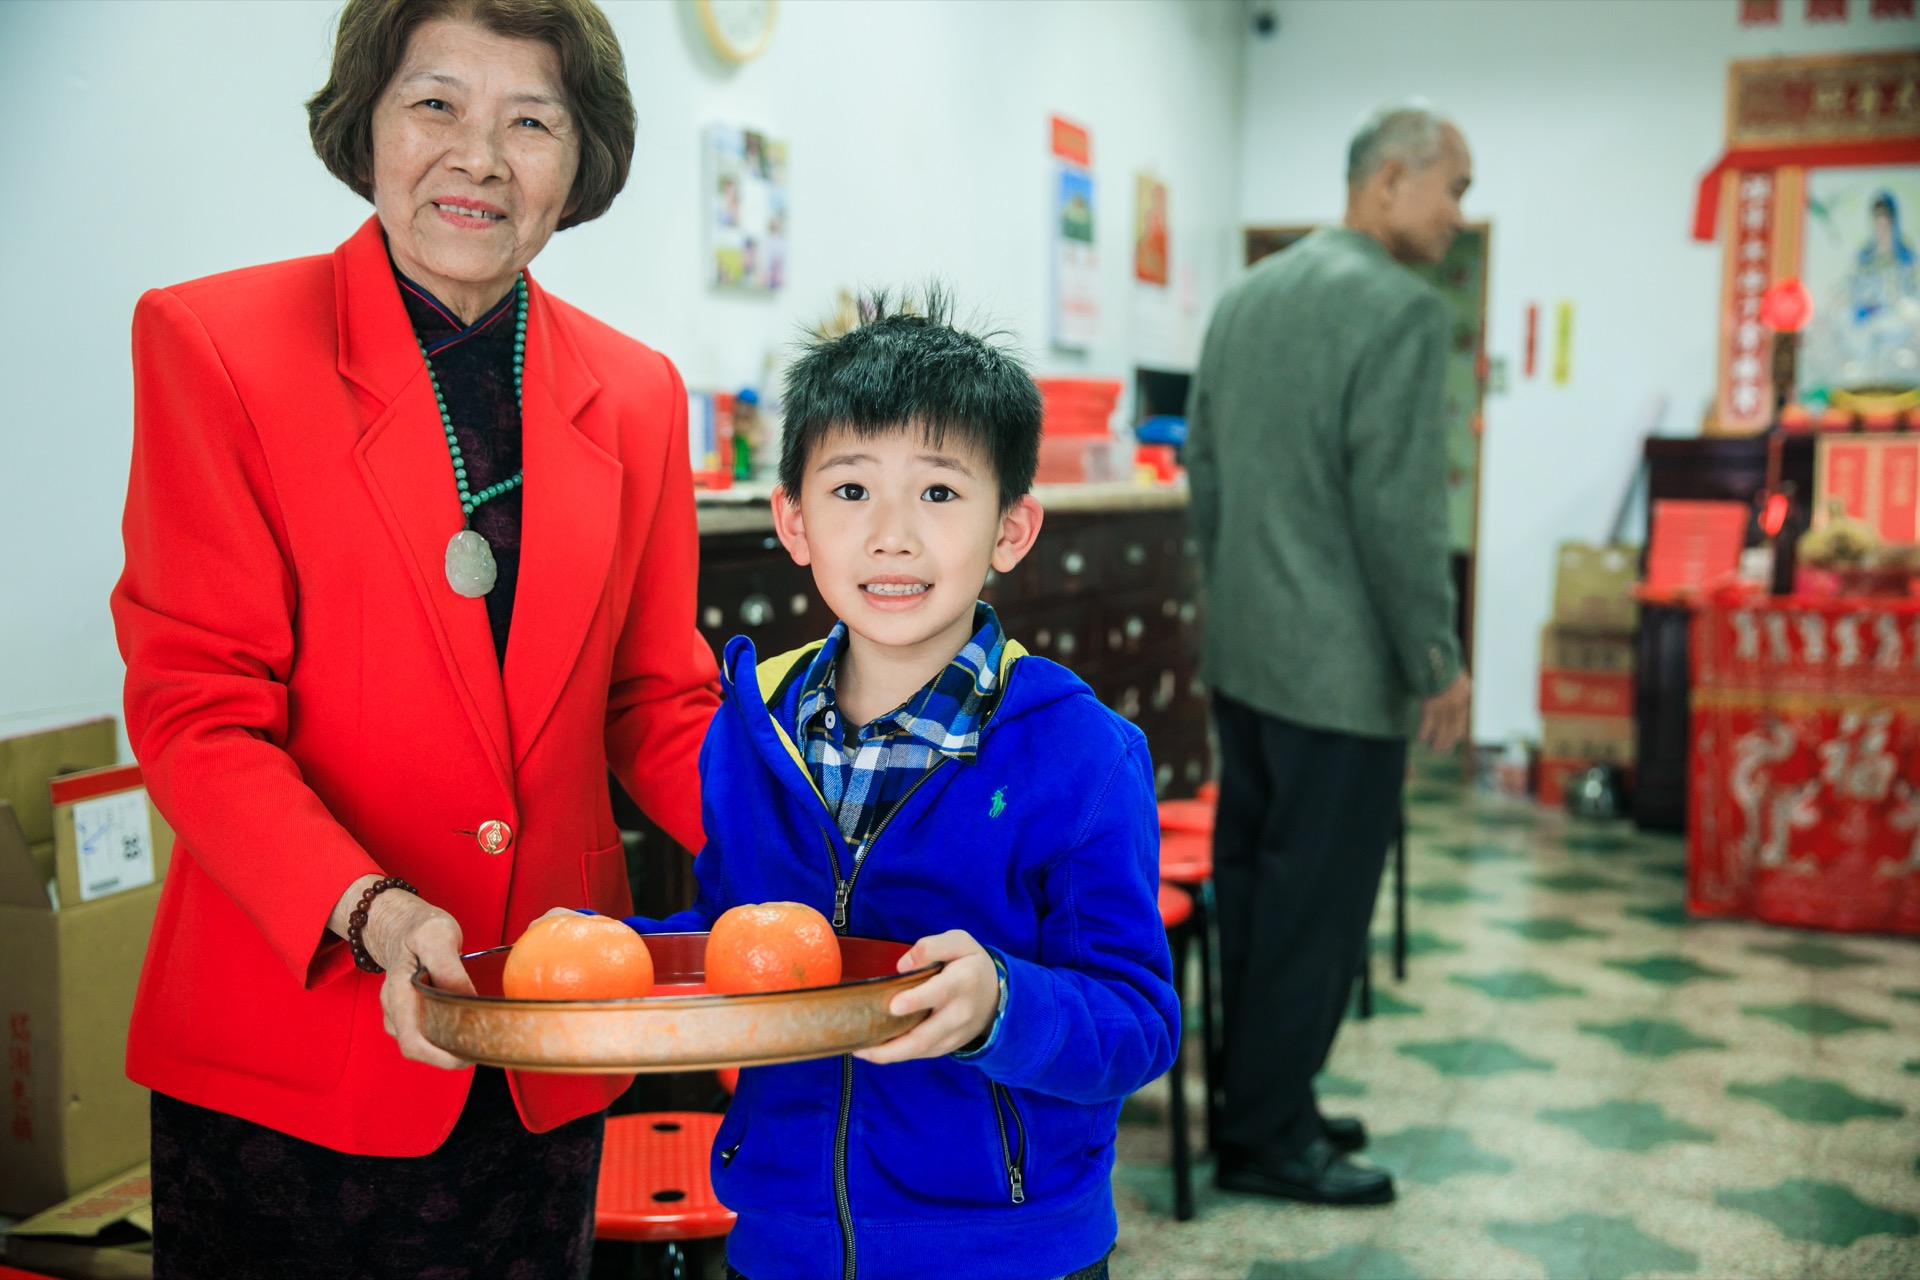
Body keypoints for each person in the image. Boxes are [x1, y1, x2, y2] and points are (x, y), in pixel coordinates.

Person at [109, 1, 719, 1275]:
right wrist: (376, 913)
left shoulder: (642, 391)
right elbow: (195, 710)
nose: (478, 157)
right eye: (435, 103)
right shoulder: (212, 343)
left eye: (530, 121)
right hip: (300, 1031)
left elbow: (657, 698)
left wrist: (830, 831)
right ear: (367, 124)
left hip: (543, 1036)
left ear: (580, 156)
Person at [620, 294, 1180, 1280]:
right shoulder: (748, 733)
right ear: (790, 519)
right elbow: (732, 949)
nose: (891, 535)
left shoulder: (1083, 755)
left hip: (1008, 1249)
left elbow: (1135, 1022)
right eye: (849, 492)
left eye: (937, 493)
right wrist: (596, 956)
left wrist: (1003, 1003)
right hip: (783, 1240)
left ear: (1012, 527)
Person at [1185, 102, 1474, 1206]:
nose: (1457, 214)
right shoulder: (1397, 309)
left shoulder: (1249, 296)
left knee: (1260, 886)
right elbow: (1398, 512)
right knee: (1318, 906)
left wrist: (1242, 603)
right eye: (1453, 186)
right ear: (1389, 180)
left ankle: (1263, 1101)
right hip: (1343, 674)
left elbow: (1204, 475)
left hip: (1247, 653)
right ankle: (1270, 1137)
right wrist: (1436, 658)